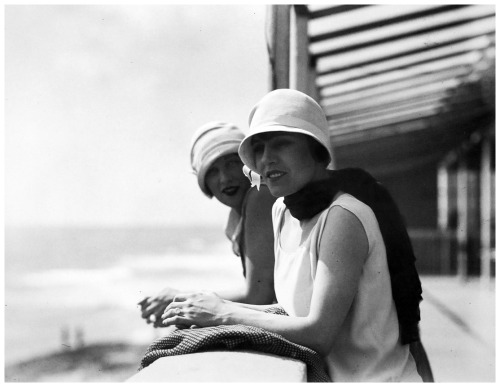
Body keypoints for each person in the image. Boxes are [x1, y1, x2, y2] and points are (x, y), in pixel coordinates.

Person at [161, 89, 424, 382]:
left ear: (316, 150)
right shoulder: (281, 212)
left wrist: (223, 313)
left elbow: (319, 333)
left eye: (281, 143)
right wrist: (201, 307)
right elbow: (288, 312)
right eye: (258, 149)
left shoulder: (343, 216)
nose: (266, 159)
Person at [139, 122, 276, 327]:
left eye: (231, 163)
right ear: (204, 182)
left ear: (249, 165)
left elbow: (258, 297)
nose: (225, 178)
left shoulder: (260, 197)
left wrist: (181, 300)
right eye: (212, 171)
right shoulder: (241, 213)